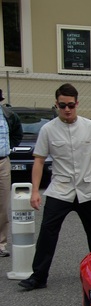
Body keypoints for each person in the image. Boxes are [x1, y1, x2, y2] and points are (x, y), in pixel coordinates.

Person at [18, 83, 91, 291]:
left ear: (77, 104)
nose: (67, 109)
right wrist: (34, 191)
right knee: (48, 232)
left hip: (86, 190)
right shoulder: (48, 130)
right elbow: (39, 161)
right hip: (60, 189)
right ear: (56, 105)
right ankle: (39, 276)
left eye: (70, 105)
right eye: (62, 105)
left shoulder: (90, 126)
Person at [0, 89, 24, 258]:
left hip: (3, 161)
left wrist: (9, 147)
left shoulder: (8, 115)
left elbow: (17, 133)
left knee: (2, 205)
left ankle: (1, 243)